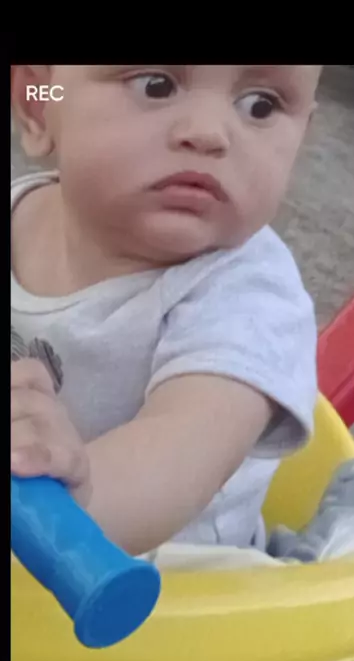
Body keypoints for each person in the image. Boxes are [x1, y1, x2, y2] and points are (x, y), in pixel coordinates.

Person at [11, 64, 320, 557]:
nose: (209, 133)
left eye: (261, 106)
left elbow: (177, 461)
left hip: (161, 582)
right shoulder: (19, 214)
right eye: (156, 85)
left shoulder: (250, 301)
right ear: (38, 101)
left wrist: (71, 499)